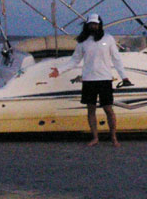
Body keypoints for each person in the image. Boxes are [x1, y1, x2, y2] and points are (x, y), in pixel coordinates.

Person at [49, 13, 132, 146]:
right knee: (91, 109)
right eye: (91, 24)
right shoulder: (83, 41)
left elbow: (116, 59)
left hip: (104, 79)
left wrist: (124, 76)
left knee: (108, 109)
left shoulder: (108, 39)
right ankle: (95, 137)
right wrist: (59, 70)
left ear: (100, 25)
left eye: (95, 24)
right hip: (89, 80)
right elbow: (74, 61)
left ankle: (114, 137)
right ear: (88, 25)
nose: (93, 26)